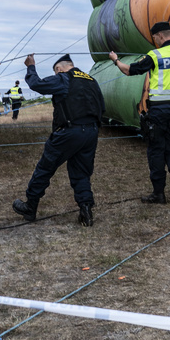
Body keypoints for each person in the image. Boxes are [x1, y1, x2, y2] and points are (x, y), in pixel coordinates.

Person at [12, 54, 105, 227]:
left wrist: (31, 66)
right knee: (82, 171)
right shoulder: (91, 80)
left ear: (59, 69)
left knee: (46, 167)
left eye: (56, 72)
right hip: (91, 131)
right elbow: (102, 105)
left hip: (69, 131)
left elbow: (37, 84)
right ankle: (85, 209)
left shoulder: (63, 78)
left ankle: (30, 206)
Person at [109, 22, 170, 205]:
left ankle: (159, 194)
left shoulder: (155, 56)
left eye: (154, 38)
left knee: (156, 150)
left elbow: (129, 70)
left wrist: (116, 60)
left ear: (159, 36)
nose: (154, 41)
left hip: (158, 112)